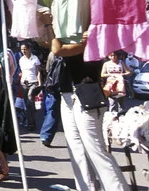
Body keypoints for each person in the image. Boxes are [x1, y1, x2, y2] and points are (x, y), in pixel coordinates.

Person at [52, 36, 130, 191]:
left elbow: (57, 49)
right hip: (69, 94)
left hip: (85, 93)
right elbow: (48, 44)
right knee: (77, 150)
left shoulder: (88, 37)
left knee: (95, 149)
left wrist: (50, 25)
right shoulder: (71, 35)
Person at [40, 52, 62, 147]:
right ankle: (46, 136)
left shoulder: (52, 54)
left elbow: (48, 69)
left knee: (52, 111)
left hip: (53, 86)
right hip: (65, 86)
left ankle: (46, 136)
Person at [19, 43, 42, 131]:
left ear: (29, 49)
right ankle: (30, 119)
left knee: (29, 101)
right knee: (28, 104)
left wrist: (40, 84)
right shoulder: (21, 60)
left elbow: (39, 72)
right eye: (22, 49)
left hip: (33, 83)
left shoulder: (35, 58)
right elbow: (22, 71)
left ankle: (31, 124)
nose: (23, 51)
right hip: (24, 83)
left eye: (25, 49)